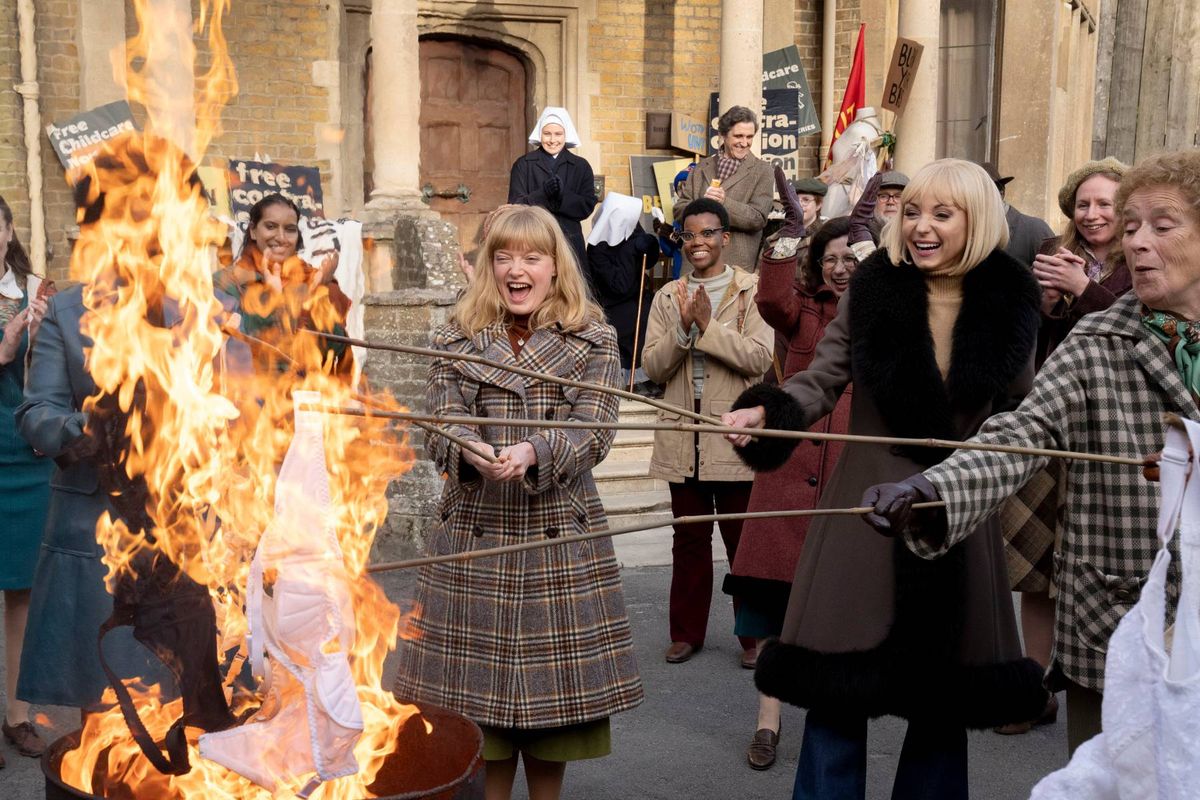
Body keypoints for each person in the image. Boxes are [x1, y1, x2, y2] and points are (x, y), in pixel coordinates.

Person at [855, 148, 1200, 756]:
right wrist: (932, 491)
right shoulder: (1099, 340)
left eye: (1162, 226)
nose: (1138, 242)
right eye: (1131, 228)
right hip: (1122, 614)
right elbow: (1021, 432)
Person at [721, 160, 1046, 800]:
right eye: (914, 211)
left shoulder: (1011, 297)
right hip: (863, 513)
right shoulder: (874, 286)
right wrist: (770, 413)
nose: (921, 226)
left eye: (942, 214)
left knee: (942, 706)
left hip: (957, 511)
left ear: (978, 220)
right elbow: (822, 377)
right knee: (835, 691)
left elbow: (1019, 408)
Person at [393, 204, 642, 800]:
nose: (516, 269)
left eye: (531, 257)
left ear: (555, 266)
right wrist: (469, 448)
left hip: (556, 537)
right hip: (474, 534)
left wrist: (535, 451)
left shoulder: (593, 336)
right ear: (488, 265)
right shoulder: (456, 335)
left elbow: (595, 427)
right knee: (477, 713)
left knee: (553, 713)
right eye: (503, 256)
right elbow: (441, 419)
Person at [723, 168, 878, 771]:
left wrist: (871, 253)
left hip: (847, 476)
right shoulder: (802, 311)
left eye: (849, 258)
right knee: (774, 609)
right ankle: (767, 723)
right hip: (787, 478)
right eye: (830, 258)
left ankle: (826, 716)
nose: (839, 268)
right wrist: (788, 234)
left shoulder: (879, 313)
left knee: (833, 611)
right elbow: (770, 297)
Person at [993, 157, 1129, 736]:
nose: (1091, 214)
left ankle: (1106, 692)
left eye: (1105, 204)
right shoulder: (1055, 250)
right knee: (1036, 563)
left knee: (1102, 565)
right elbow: (1036, 332)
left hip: (1111, 427)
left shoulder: (1141, 259)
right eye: (1083, 204)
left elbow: (1136, 330)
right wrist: (1046, 304)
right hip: (1051, 418)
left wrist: (1083, 290)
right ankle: (1037, 689)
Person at [642, 198, 774, 667]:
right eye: (688, 235)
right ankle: (686, 634)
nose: (697, 242)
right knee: (689, 542)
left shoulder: (752, 290)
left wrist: (707, 326)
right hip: (683, 431)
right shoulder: (667, 296)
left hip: (734, 433)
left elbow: (759, 358)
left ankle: (754, 638)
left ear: (725, 238)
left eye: (707, 233)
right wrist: (683, 328)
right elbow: (653, 366)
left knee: (743, 542)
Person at [0, 197, 52, 764]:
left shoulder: (36, 290)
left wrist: (41, 342)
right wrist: (5, 349)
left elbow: (53, 375)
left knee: (21, 591)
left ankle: (16, 715)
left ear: (9, 231)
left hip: (26, 454)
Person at [213, 193, 351, 379]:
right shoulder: (226, 282)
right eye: (270, 227)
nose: (281, 237)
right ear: (253, 231)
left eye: (290, 229)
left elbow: (337, 351)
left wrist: (315, 297)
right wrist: (272, 302)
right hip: (247, 389)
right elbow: (232, 345)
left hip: (305, 391)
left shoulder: (313, 280)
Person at [674, 106, 774, 271]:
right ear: (723, 135)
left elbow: (758, 218)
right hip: (695, 263)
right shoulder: (701, 168)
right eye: (738, 136)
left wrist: (724, 203)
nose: (744, 143)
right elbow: (678, 211)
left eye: (749, 137)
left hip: (735, 267)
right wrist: (702, 204)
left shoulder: (763, 171)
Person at [585, 192, 661, 393]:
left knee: (652, 313)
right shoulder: (597, 248)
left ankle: (649, 374)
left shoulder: (632, 234)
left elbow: (648, 261)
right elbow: (620, 285)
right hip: (612, 305)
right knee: (632, 319)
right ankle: (632, 378)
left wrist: (651, 246)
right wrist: (632, 251)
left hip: (637, 299)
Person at [508, 107, 598, 267]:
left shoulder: (580, 166)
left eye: (558, 134)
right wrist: (542, 195)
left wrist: (563, 196)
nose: (552, 140)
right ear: (540, 134)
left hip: (569, 240)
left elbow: (587, 206)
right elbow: (515, 205)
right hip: (533, 239)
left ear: (566, 135)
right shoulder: (523, 164)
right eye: (547, 133)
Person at [977, 162, 1054, 268]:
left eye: (984, 191)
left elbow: (1055, 274)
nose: (977, 199)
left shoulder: (1035, 230)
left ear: (1001, 193)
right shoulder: (968, 232)